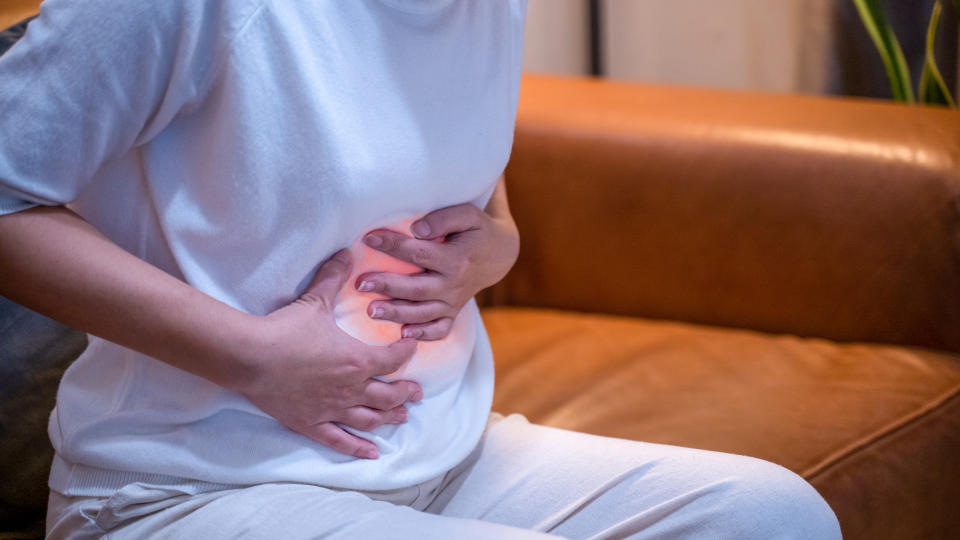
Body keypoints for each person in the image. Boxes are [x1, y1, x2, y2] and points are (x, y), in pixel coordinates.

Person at [0, 1, 842, 538]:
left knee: (772, 516)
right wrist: (252, 358)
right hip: (186, 490)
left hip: (446, 460)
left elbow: (426, 155)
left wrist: (499, 241)